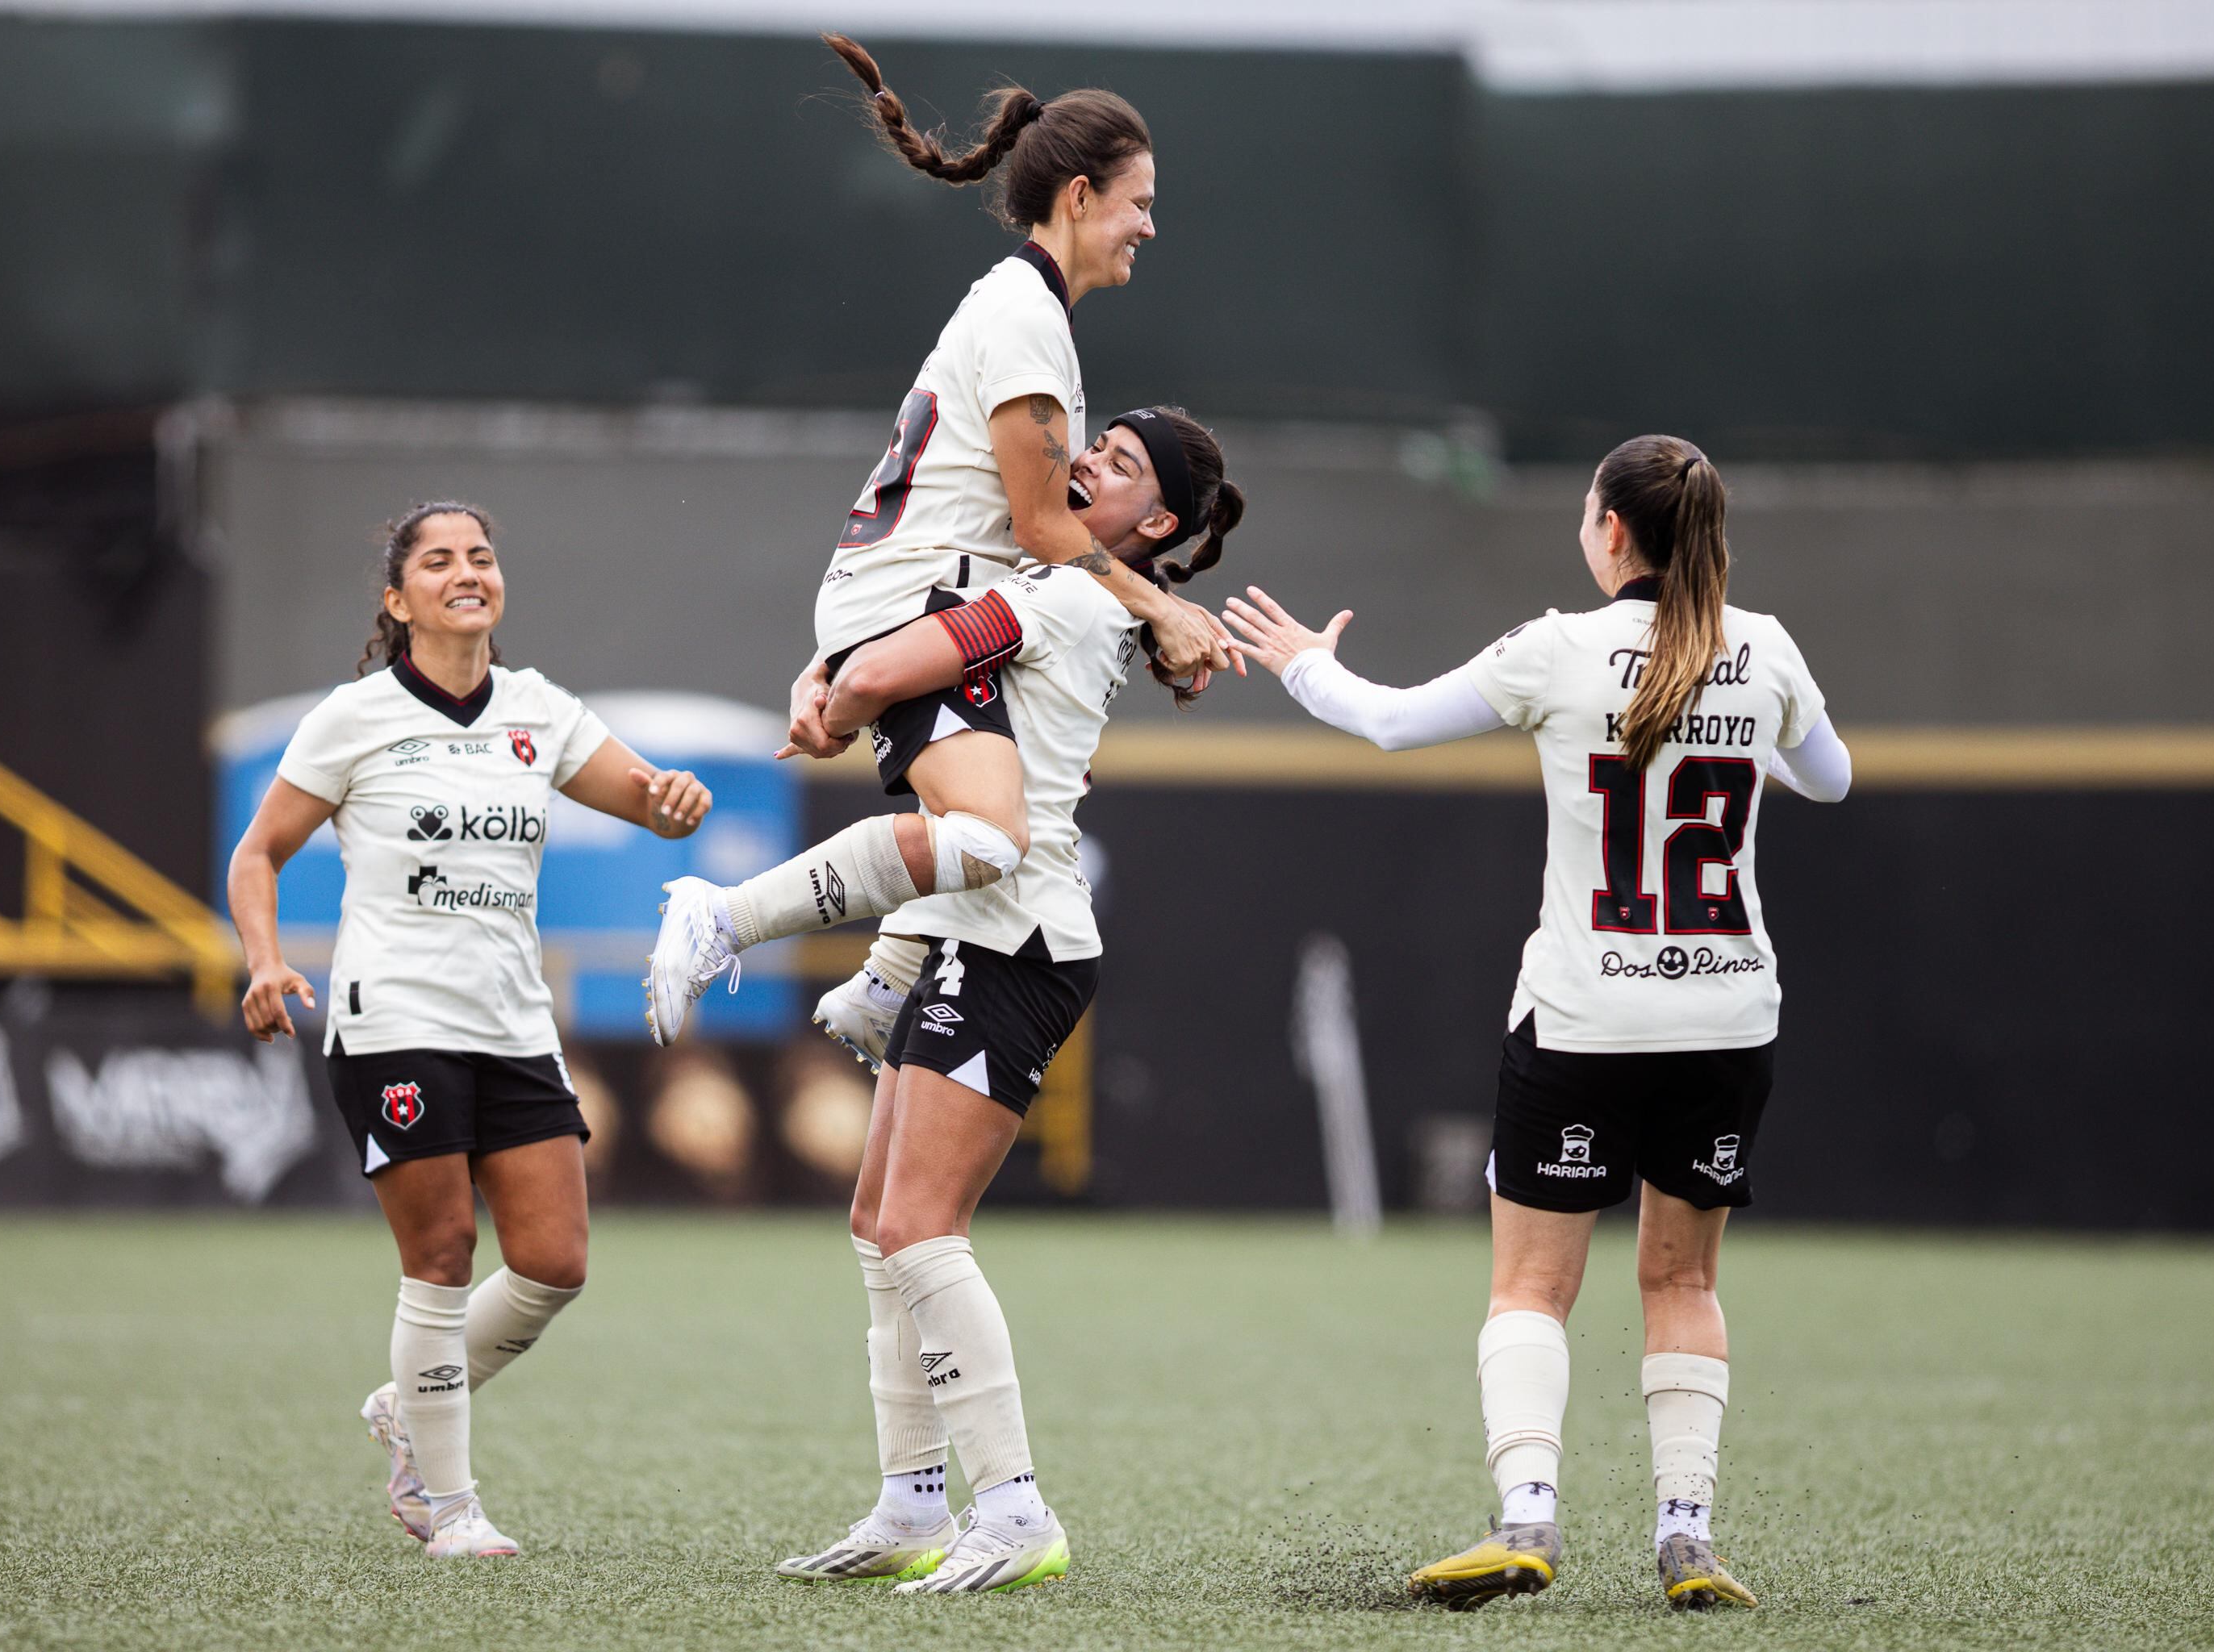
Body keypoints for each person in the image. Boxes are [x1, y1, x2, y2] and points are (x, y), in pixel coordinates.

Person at [1223, 436, 1851, 1612]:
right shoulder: (1766, 647)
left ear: (1612, 529)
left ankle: (1525, 1521)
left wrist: (1307, 663)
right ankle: (1686, 1538)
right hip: (1725, 1018)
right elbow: (1834, 779)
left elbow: (1391, 722)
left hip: (1583, 1020)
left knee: (1530, 1289)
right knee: (1682, 1283)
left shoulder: (1556, 648)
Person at [642, 34, 1230, 1045]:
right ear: (1080, 197)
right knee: (996, 834)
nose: (1149, 224)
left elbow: (978, 512)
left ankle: (889, 977)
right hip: (923, 596)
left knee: (1018, 806)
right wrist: (1163, 605)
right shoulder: (1026, 316)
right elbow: (1045, 529)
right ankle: (726, 916)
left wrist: (833, 660)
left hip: (909, 591)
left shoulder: (1025, 311)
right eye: (1139, 200)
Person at [770, 408, 1246, 1595]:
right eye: (1099, 444)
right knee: (884, 1229)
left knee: (922, 1230)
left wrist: (833, 683)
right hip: (968, 934)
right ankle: (908, 1505)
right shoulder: (1052, 576)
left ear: (1162, 523)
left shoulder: (1076, 596)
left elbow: (891, 669)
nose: (1089, 461)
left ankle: (1016, 1508)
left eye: (1123, 466)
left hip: (1017, 945)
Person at [226, 502, 712, 1560]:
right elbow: (257, 854)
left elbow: (653, 804)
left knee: (554, 1262)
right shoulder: (351, 717)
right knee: (442, 1256)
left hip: (512, 1021)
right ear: (399, 602)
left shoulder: (540, 710)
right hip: (392, 1014)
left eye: (482, 557)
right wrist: (266, 961)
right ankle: (447, 1507)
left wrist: (676, 801)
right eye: (438, 561)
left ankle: (407, 1403)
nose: (467, 572)